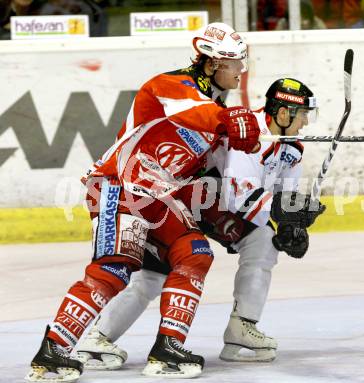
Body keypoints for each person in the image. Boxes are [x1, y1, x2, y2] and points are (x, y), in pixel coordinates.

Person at [25, 22, 261, 382]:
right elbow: (190, 110)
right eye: (234, 63)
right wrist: (229, 121)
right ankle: (52, 354)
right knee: (114, 268)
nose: (241, 70)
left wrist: (250, 147)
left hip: (160, 196)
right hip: (120, 185)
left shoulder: (216, 111)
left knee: (194, 251)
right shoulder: (170, 85)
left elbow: (208, 173)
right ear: (212, 64)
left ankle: (168, 349)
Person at [75, 77, 325, 369]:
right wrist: (280, 209)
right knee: (154, 275)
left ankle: (241, 329)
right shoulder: (248, 133)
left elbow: (284, 196)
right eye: (304, 115)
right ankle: (99, 338)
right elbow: (236, 195)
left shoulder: (292, 148)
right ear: (284, 113)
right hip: (187, 200)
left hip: (217, 206)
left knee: (264, 242)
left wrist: (291, 227)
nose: (306, 123)